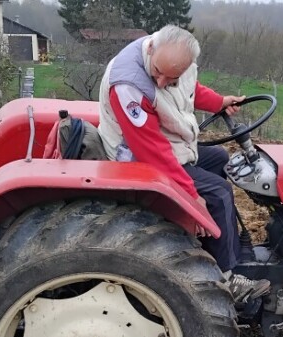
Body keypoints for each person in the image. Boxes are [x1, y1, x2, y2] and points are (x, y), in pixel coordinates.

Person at [97, 25, 270, 303]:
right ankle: (227, 277)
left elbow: (190, 91)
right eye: (158, 73)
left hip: (169, 145)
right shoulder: (129, 85)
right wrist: (191, 197)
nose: (164, 81)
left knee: (221, 159)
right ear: (150, 47)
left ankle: (207, 243)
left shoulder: (175, 64)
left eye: (172, 77)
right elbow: (151, 152)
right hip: (137, 157)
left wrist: (220, 102)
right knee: (218, 193)